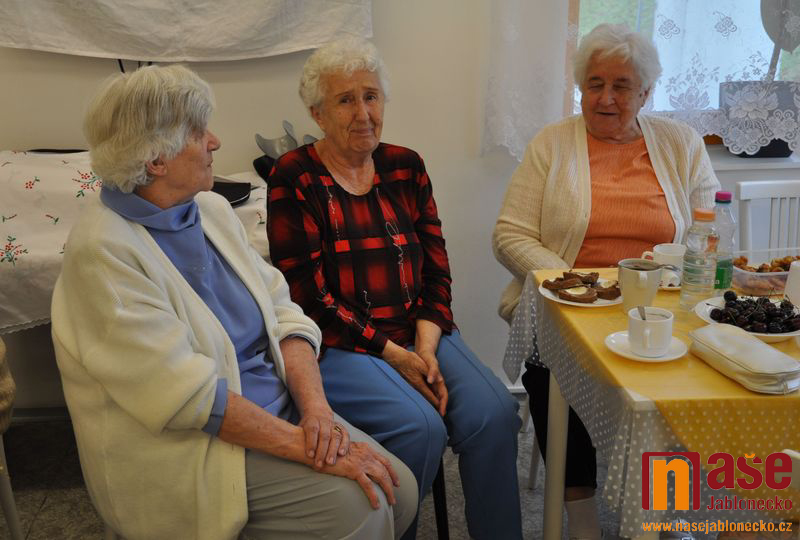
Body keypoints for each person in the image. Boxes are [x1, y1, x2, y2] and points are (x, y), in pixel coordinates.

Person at [50, 64, 417, 540]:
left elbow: (284, 314)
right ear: (156, 159)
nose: (215, 141)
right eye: (198, 132)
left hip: (276, 410)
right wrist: (311, 450)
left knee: (401, 490)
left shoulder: (210, 210)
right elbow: (188, 397)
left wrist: (317, 414)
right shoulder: (103, 252)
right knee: (362, 508)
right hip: (192, 447)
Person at [267, 37, 522, 540]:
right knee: (419, 427)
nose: (363, 113)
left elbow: (437, 270)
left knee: (494, 413)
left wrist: (423, 348)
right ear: (318, 114)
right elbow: (308, 299)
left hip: (418, 333)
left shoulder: (406, 166)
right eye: (345, 100)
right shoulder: (294, 176)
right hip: (341, 345)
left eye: (371, 96)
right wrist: (395, 355)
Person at [492, 24, 720, 540]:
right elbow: (509, 234)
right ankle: (582, 516)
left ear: (646, 92)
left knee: (688, 378)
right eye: (594, 84)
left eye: (622, 86)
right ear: (580, 88)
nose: (606, 98)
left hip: (661, 307)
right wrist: (574, 285)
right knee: (552, 369)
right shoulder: (552, 144)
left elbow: (707, 234)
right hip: (568, 306)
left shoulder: (681, 144)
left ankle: (666, 508)